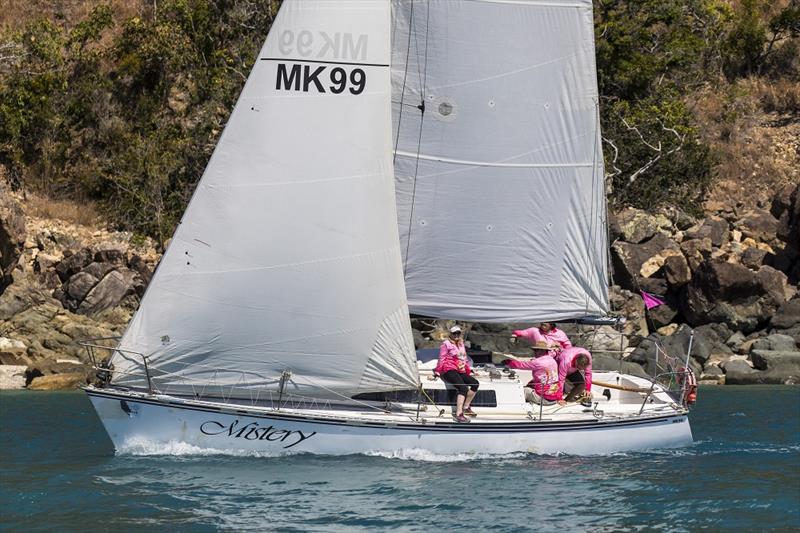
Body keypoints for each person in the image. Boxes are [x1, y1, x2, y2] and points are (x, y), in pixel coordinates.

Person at [436, 325, 479, 423]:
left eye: (458, 333)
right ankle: (459, 414)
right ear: (450, 334)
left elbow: (464, 358)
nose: (456, 335)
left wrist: (469, 369)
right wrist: (438, 372)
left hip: (460, 369)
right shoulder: (445, 344)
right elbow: (441, 358)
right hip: (449, 369)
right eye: (454, 333)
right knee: (462, 387)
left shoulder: (461, 343)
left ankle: (466, 407)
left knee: (475, 383)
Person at [506, 341, 565, 406]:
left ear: (541, 351)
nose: (534, 352)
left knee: (524, 390)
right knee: (532, 383)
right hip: (555, 397)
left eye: (536, 350)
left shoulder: (537, 362)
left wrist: (508, 362)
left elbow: (521, 365)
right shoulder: (551, 359)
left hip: (544, 399)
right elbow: (554, 353)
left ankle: (514, 406)